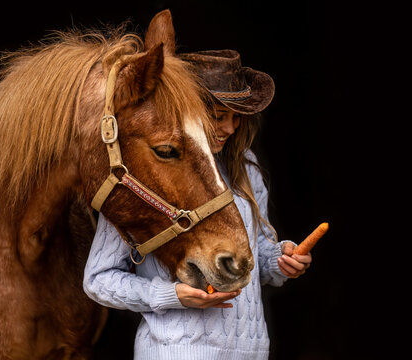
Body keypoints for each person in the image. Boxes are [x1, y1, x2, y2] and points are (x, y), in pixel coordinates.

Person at [83, 49, 312, 359]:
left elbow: (256, 258)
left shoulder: (246, 167)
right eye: (218, 116)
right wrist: (170, 295)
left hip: (251, 351)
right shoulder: (147, 173)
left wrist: (282, 261)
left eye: (236, 117)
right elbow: (99, 279)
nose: (230, 128)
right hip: (178, 350)